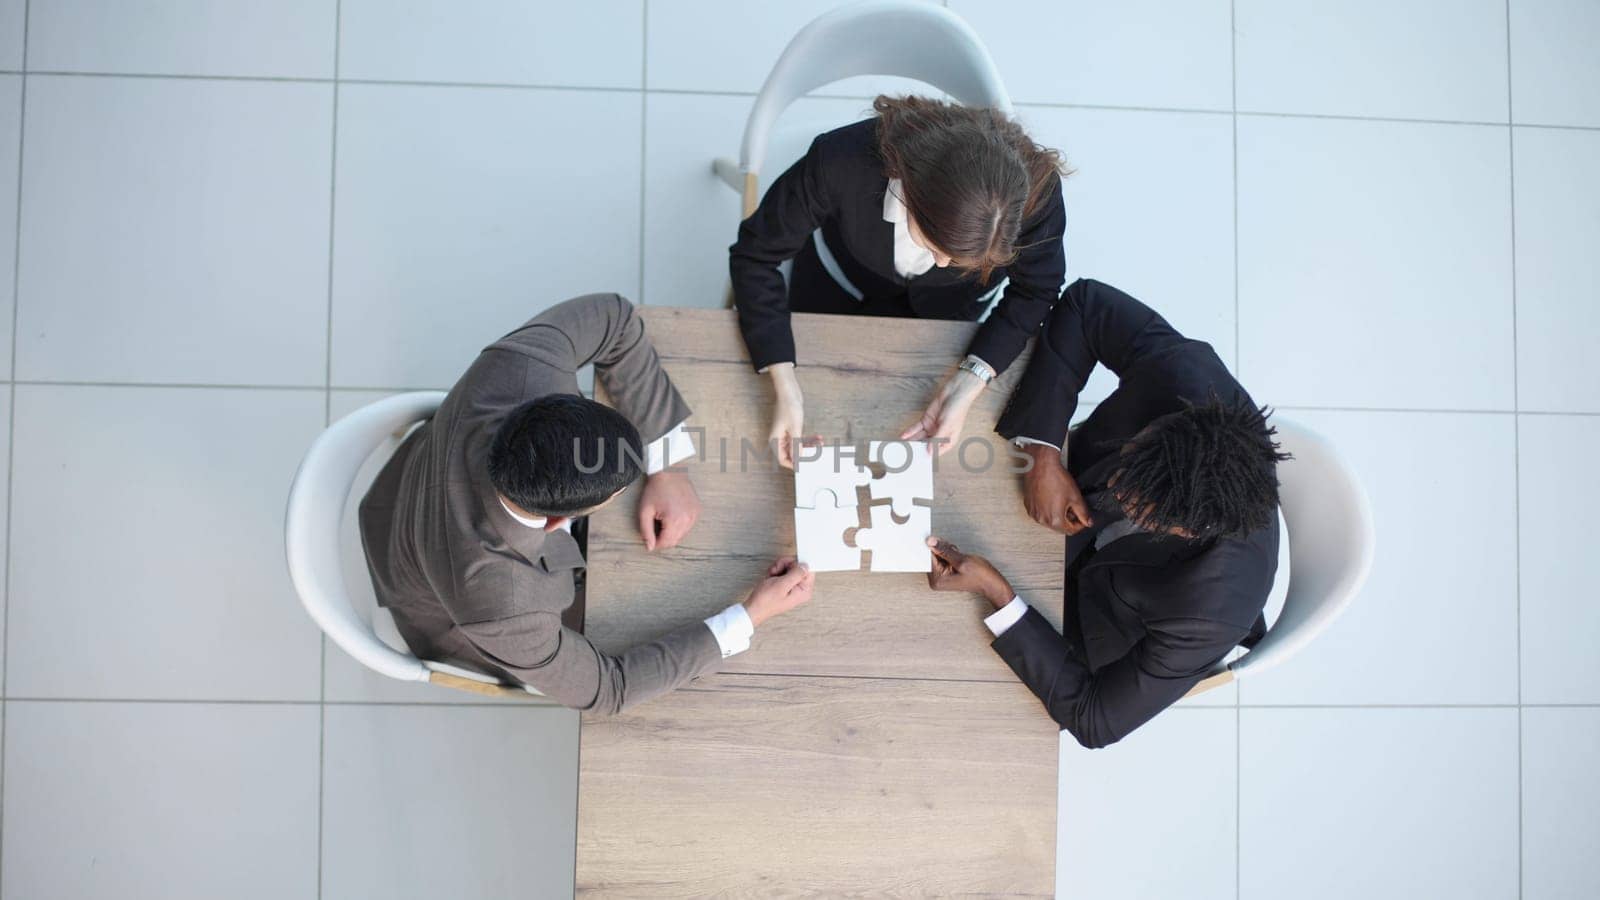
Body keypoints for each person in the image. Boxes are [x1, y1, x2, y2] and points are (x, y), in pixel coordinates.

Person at [358, 294, 815, 714]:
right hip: (432, 597)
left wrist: (669, 465)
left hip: (415, 478)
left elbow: (614, 318)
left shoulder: (523, 367)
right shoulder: (505, 610)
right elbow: (608, 689)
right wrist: (750, 615)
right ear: (562, 519)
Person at [925, 279, 1288, 748]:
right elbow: (1085, 303)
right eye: (1133, 458)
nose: (1116, 486)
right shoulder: (1191, 378)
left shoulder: (1210, 614)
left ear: (1186, 529)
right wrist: (1044, 453)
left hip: (1087, 621)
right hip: (1043, 486)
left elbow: (1096, 721)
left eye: (1139, 500)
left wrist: (998, 593)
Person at [729, 95, 1069, 466]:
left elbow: (1037, 289)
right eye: (938, 248)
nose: (941, 263)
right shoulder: (840, 159)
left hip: (950, 313)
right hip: (838, 287)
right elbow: (756, 255)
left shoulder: (1038, 194)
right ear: (914, 196)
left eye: (959, 260)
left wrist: (970, 380)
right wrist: (784, 383)